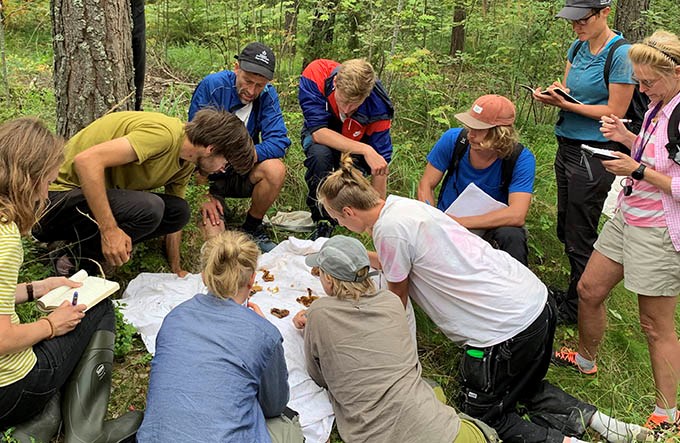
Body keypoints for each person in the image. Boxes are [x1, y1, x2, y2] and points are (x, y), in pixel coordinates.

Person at [313, 155, 649, 443]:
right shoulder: (403, 207)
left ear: (349, 212)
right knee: (523, 389)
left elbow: (394, 301)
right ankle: (607, 425)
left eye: (337, 218)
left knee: (486, 415)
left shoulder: (389, 230)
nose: (339, 224)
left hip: (503, 332)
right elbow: (392, 261)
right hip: (534, 305)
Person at [553, 30, 680, 431]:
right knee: (589, 289)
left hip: (659, 227)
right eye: (639, 81)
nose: (642, 89)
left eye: (649, 82)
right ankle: (586, 359)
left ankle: (667, 415)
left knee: (654, 324)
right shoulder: (659, 105)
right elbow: (657, 152)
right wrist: (627, 139)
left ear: (676, 72)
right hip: (629, 213)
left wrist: (637, 169)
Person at [0, 118, 142, 443]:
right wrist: (52, 325)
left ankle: (46, 419)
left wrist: (37, 288)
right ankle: (87, 431)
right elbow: (2, 340)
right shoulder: (5, 238)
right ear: (29, 178)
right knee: (99, 306)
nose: (47, 190)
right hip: (9, 388)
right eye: (47, 181)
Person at [292, 235, 498, 443]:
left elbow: (318, 375)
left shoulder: (318, 313)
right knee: (429, 389)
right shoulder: (390, 300)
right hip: (445, 430)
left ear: (328, 278)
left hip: (375, 435)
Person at [32, 109, 255, 277]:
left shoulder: (187, 161)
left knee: (178, 212)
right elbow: (86, 161)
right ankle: (82, 268)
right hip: (51, 200)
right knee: (150, 208)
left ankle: (72, 256)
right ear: (211, 148)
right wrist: (110, 231)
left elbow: (175, 217)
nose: (221, 170)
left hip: (84, 203)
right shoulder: (164, 135)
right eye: (225, 163)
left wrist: (176, 269)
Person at [137, 230, 304, 442]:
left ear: (205, 276)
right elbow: (274, 405)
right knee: (287, 426)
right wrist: (261, 329)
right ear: (252, 279)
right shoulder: (263, 334)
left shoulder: (174, 317)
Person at [532, 0, 637, 324]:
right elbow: (568, 90)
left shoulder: (620, 54)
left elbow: (616, 111)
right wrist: (554, 94)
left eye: (582, 20)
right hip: (567, 143)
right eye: (572, 21)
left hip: (595, 150)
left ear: (604, 12)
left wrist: (569, 105)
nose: (576, 27)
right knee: (567, 224)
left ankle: (581, 307)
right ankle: (575, 292)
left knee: (581, 228)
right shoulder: (577, 47)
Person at [189, 42, 290, 252]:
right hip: (208, 174)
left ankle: (252, 227)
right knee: (217, 245)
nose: (252, 91)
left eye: (259, 85)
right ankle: (213, 208)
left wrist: (244, 154)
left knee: (275, 169)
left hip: (242, 170)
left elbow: (279, 141)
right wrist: (202, 193)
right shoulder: (213, 86)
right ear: (236, 68)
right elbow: (194, 144)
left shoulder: (268, 95)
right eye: (247, 81)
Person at [417, 94, 535, 265]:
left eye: (479, 129)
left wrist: (460, 223)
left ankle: (516, 286)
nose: (471, 135)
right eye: (470, 126)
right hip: (445, 222)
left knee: (512, 235)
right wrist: (434, 218)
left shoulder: (520, 159)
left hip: (488, 227)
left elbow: (517, 214)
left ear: (500, 134)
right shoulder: (454, 140)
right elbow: (426, 184)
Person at [299, 58, 394, 239]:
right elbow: (318, 132)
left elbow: (380, 164)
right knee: (319, 157)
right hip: (324, 134)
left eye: (354, 104)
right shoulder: (316, 74)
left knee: (353, 177)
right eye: (343, 101)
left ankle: (351, 216)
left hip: (358, 138)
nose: (347, 109)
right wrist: (366, 150)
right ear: (335, 83)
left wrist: (378, 220)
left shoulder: (378, 103)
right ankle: (323, 219)